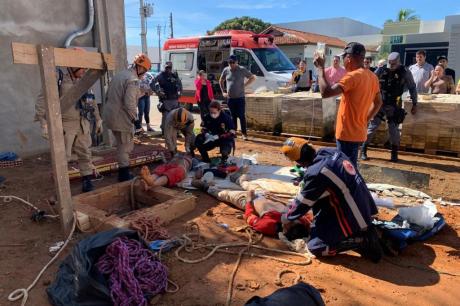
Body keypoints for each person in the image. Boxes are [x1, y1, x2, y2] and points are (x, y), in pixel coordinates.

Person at [280, 137, 383, 262]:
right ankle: (361, 230)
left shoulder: (316, 173)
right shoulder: (331, 151)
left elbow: (303, 202)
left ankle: (362, 240)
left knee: (317, 247)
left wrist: (286, 216)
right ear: (310, 146)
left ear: (299, 162)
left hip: (355, 213)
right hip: (365, 205)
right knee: (317, 218)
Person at [35, 47, 102, 192]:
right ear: (73, 64)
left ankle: (87, 180)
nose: (85, 70)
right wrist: (44, 123)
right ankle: (62, 188)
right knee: (62, 158)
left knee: (85, 153)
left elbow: (92, 100)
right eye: (82, 67)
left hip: (83, 123)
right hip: (65, 125)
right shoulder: (57, 76)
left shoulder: (84, 79)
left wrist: (98, 119)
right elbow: (42, 100)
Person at [314, 42, 383, 166]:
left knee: (345, 170)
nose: (342, 61)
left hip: (346, 134)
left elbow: (325, 92)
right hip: (359, 132)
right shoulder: (372, 77)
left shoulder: (352, 77)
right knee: (351, 166)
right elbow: (378, 102)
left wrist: (320, 68)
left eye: (343, 58)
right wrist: (366, 119)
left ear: (349, 58)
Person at [361, 52, 418, 162]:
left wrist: (415, 103)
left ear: (398, 62)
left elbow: (412, 87)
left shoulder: (405, 72)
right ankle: (363, 149)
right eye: (389, 63)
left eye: (393, 64)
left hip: (394, 104)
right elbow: (370, 82)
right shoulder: (381, 69)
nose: (391, 66)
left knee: (394, 130)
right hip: (379, 102)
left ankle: (394, 153)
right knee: (372, 127)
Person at [104, 53, 151, 181]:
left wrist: (142, 93)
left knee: (121, 144)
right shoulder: (133, 80)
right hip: (121, 117)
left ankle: (123, 171)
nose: (144, 74)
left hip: (111, 116)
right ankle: (124, 174)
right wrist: (136, 122)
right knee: (125, 146)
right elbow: (129, 103)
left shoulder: (120, 75)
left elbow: (109, 95)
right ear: (140, 68)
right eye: (145, 71)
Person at [244, 190, 311, 240]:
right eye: (295, 221)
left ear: (285, 230)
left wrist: (249, 200)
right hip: (268, 196)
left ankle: (237, 179)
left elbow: (249, 216)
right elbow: (292, 205)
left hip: (252, 201)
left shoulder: (269, 225)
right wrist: (276, 198)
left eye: (291, 223)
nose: (292, 220)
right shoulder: (303, 221)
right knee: (248, 184)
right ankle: (238, 177)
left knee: (235, 191)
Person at [219, 55, 256, 141]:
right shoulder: (226, 70)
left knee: (241, 116)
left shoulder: (242, 69)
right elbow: (221, 80)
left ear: (236, 62)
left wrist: (245, 85)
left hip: (240, 98)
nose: (231, 64)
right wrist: (223, 92)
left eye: (232, 62)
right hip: (230, 98)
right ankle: (234, 132)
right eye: (229, 62)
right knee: (233, 116)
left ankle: (244, 134)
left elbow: (252, 77)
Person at [152, 61, 183, 135]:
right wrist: (158, 92)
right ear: (164, 67)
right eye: (167, 67)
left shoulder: (174, 75)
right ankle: (164, 132)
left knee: (176, 117)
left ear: (171, 67)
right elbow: (152, 83)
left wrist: (180, 92)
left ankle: (176, 132)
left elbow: (180, 84)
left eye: (169, 67)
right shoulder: (160, 75)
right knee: (166, 117)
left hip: (175, 99)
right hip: (165, 100)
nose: (168, 69)